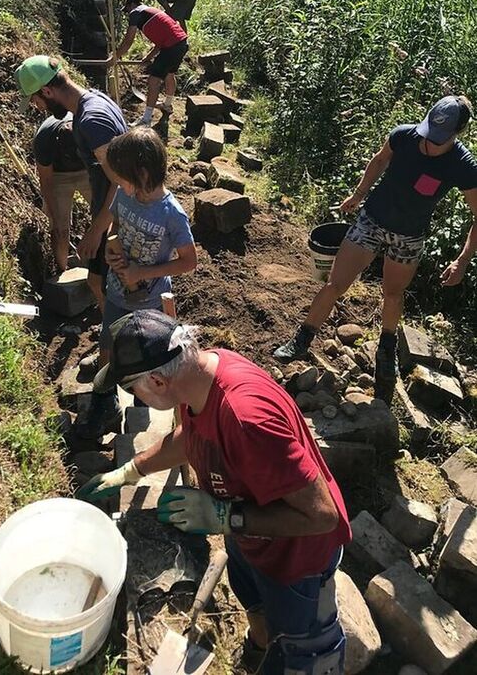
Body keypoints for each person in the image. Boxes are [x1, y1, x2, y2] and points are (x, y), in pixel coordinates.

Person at [78, 311, 350, 674]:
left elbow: (322, 515)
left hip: (296, 559)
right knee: (253, 601)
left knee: (302, 649)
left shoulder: (246, 418)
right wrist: (133, 469)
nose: (132, 395)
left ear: (158, 381)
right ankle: (257, 649)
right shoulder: (201, 376)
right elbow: (192, 435)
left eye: (131, 388)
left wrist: (225, 516)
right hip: (249, 534)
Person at [274, 95, 477, 394]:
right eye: (429, 134)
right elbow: (380, 160)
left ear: (458, 133)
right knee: (335, 284)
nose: (430, 144)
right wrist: (358, 194)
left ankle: (386, 351)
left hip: (408, 236)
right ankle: (301, 339)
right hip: (372, 220)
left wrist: (462, 260)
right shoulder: (404, 136)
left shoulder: (462, 166)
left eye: (439, 140)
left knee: (392, 294)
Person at [74, 128, 197, 438]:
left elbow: (189, 262)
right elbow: (114, 225)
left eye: (122, 178)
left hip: (150, 305)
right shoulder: (123, 195)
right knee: (108, 348)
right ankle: (106, 404)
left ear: (142, 175)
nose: (118, 183)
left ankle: (141, 416)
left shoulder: (172, 215)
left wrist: (142, 274)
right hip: (117, 294)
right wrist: (110, 251)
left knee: (145, 363)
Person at [15, 55, 127, 330]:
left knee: (103, 283)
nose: (37, 107)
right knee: (100, 281)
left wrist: (97, 230)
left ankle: (118, 345)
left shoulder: (91, 120)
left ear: (47, 91)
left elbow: (121, 181)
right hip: (118, 213)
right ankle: (115, 338)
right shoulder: (96, 100)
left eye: (36, 100)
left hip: (119, 214)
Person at [111, 0, 188, 126]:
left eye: (127, 9)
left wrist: (114, 57)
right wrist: (148, 57)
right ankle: (167, 105)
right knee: (169, 74)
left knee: (153, 81)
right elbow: (160, 41)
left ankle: (146, 119)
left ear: (132, 4)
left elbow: (128, 41)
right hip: (181, 42)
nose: (128, 12)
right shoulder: (152, 11)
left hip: (171, 46)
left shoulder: (136, 12)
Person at [33, 112, 91, 272]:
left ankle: (105, 264)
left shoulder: (89, 130)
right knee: (59, 227)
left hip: (88, 170)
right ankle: (62, 270)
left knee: (107, 214)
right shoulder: (45, 141)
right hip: (57, 175)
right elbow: (46, 182)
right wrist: (54, 216)